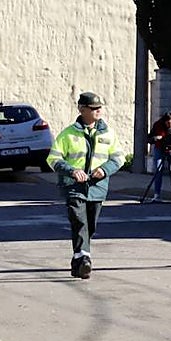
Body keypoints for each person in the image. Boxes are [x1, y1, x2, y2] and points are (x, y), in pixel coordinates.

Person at [47, 92, 126, 280]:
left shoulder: (108, 133)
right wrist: (72, 171)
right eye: (93, 108)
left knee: (90, 225)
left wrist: (105, 170)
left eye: (100, 108)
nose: (98, 111)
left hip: (97, 187)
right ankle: (85, 259)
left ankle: (77, 262)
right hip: (74, 186)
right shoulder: (68, 134)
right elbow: (53, 158)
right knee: (79, 221)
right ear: (82, 110)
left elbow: (118, 158)